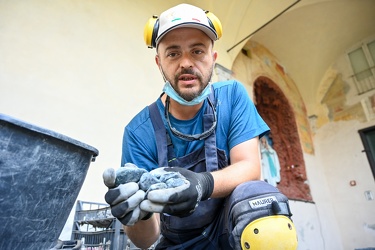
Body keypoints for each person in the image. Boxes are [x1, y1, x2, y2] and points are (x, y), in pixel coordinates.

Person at [103, 3, 297, 249]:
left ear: (213, 58)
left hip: (232, 230)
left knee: (261, 198)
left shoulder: (232, 97)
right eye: (173, 53)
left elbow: (250, 168)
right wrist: (136, 215)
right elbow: (146, 240)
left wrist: (201, 184)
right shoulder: (138, 132)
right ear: (159, 62)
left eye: (197, 51)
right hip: (177, 243)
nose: (186, 63)